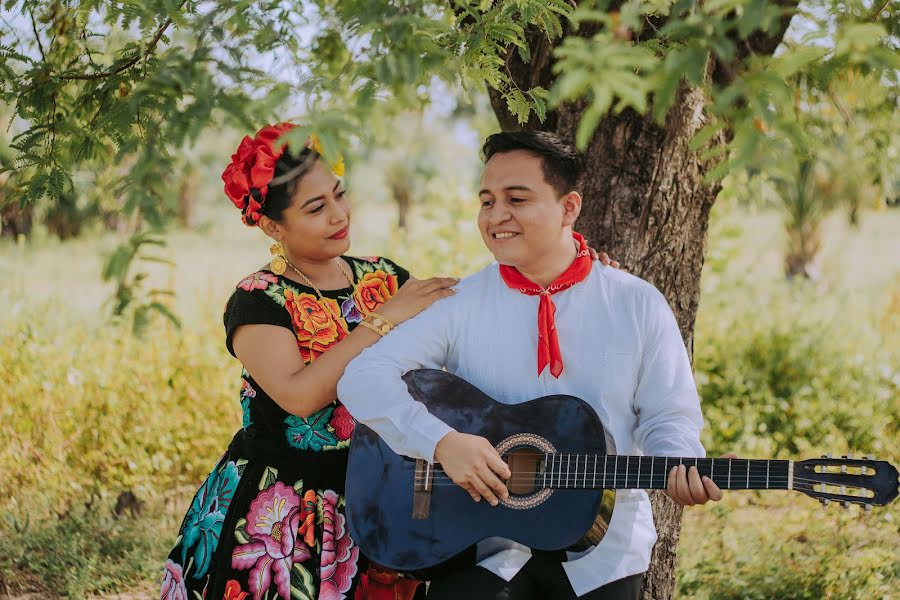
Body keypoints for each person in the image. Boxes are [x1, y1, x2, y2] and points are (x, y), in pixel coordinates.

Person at [158, 123, 618, 600]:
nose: (339, 214)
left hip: (392, 493)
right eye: (317, 208)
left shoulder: (381, 275)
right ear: (273, 227)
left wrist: (573, 277)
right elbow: (299, 396)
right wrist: (380, 320)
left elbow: (477, 315)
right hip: (287, 508)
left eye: (339, 195)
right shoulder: (259, 300)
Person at [337, 131, 728, 600]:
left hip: (603, 551)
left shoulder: (636, 303)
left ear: (569, 208)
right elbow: (361, 377)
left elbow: (669, 415)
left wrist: (679, 462)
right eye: (487, 201)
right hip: (482, 547)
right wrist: (440, 442)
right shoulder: (460, 303)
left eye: (516, 199)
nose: (496, 216)